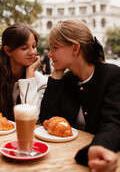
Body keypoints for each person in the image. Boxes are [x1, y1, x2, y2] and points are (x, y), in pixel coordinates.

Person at [40, 20, 120, 172]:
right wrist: (57, 74)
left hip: (102, 160)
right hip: (62, 160)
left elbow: (113, 124)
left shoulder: (112, 76)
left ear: (75, 48)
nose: (50, 54)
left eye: (54, 48)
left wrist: (99, 147)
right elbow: (47, 119)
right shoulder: (67, 80)